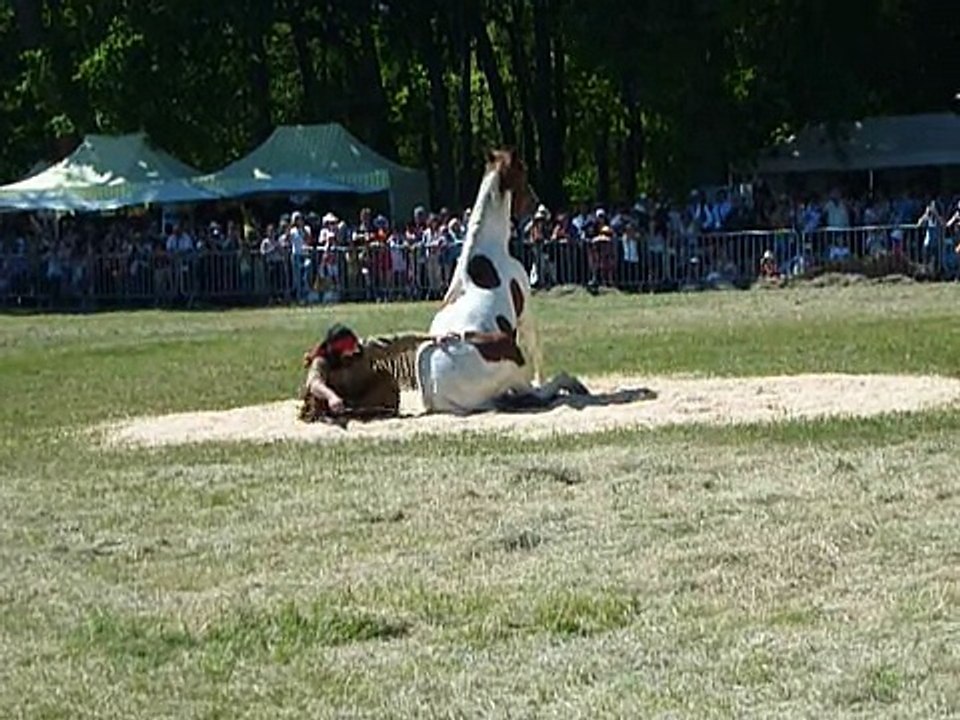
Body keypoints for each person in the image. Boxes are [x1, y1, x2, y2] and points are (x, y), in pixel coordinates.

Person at [298, 323, 429, 425]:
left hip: (361, 395)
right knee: (315, 399)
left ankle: (371, 411)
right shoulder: (322, 361)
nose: (355, 350)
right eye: (350, 348)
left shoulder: (366, 349)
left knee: (384, 379)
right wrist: (331, 397)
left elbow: (399, 341)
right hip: (334, 403)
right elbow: (314, 383)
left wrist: (430, 337)